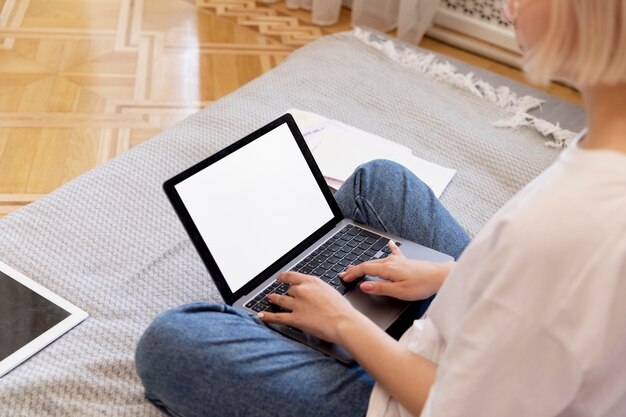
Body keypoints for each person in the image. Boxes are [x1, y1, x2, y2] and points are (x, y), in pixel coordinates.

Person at [135, 0, 626, 415]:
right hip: (479, 337)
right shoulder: (605, 152)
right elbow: (548, 301)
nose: (508, 5)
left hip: (418, 398)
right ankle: (331, 296)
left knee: (172, 341)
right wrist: (448, 276)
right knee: (379, 181)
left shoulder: (566, 227)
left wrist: (344, 323)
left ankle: (326, 332)